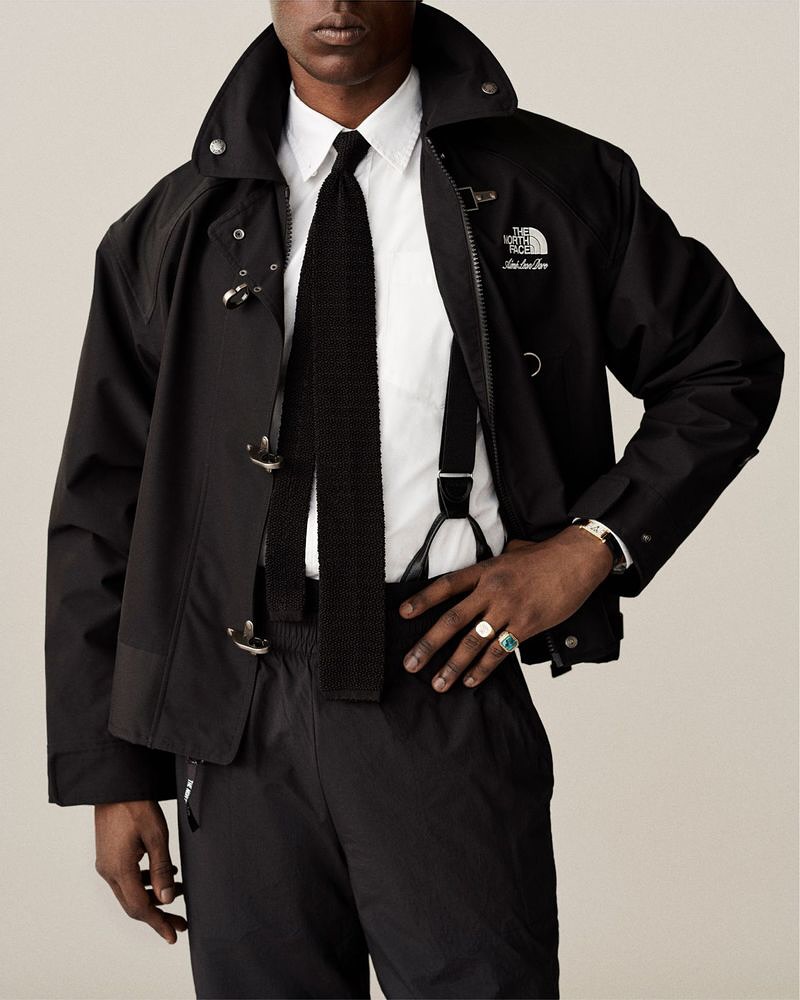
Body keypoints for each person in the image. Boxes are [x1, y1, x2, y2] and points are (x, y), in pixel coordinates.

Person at [44, 2, 784, 998]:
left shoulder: (557, 183)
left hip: (442, 684)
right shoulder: (172, 228)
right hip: (236, 714)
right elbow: (103, 508)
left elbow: (724, 366)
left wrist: (590, 545)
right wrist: (114, 770)